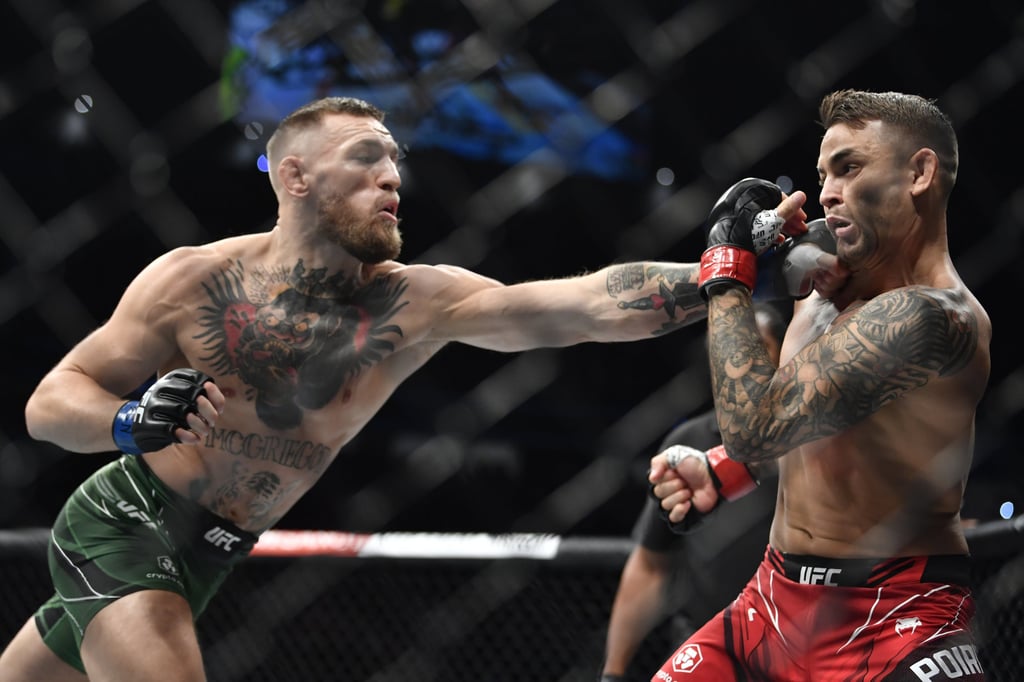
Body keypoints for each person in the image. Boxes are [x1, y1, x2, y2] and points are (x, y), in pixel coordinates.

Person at [0, 95, 778, 682]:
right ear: (296, 176)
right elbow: (50, 403)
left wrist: (727, 266)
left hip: (214, 555)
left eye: (395, 160)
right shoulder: (193, 281)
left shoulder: (413, 303)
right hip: (127, 522)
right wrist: (130, 418)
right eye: (366, 157)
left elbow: (580, 307)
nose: (393, 176)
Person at [649, 89, 991, 681]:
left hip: (896, 615)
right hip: (770, 601)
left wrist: (726, 266)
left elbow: (754, 427)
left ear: (919, 173)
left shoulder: (934, 316)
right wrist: (726, 470)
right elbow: (814, 425)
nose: (828, 192)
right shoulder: (822, 282)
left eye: (849, 167)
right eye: (823, 175)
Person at [599, 303, 787, 682]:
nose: (738, 365)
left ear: (786, 355)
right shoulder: (689, 442)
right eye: (725, 352)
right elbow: (650, 564)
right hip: (705, 648)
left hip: (796, 645)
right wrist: (613, 673)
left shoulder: (820, 446)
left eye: (754, 349)